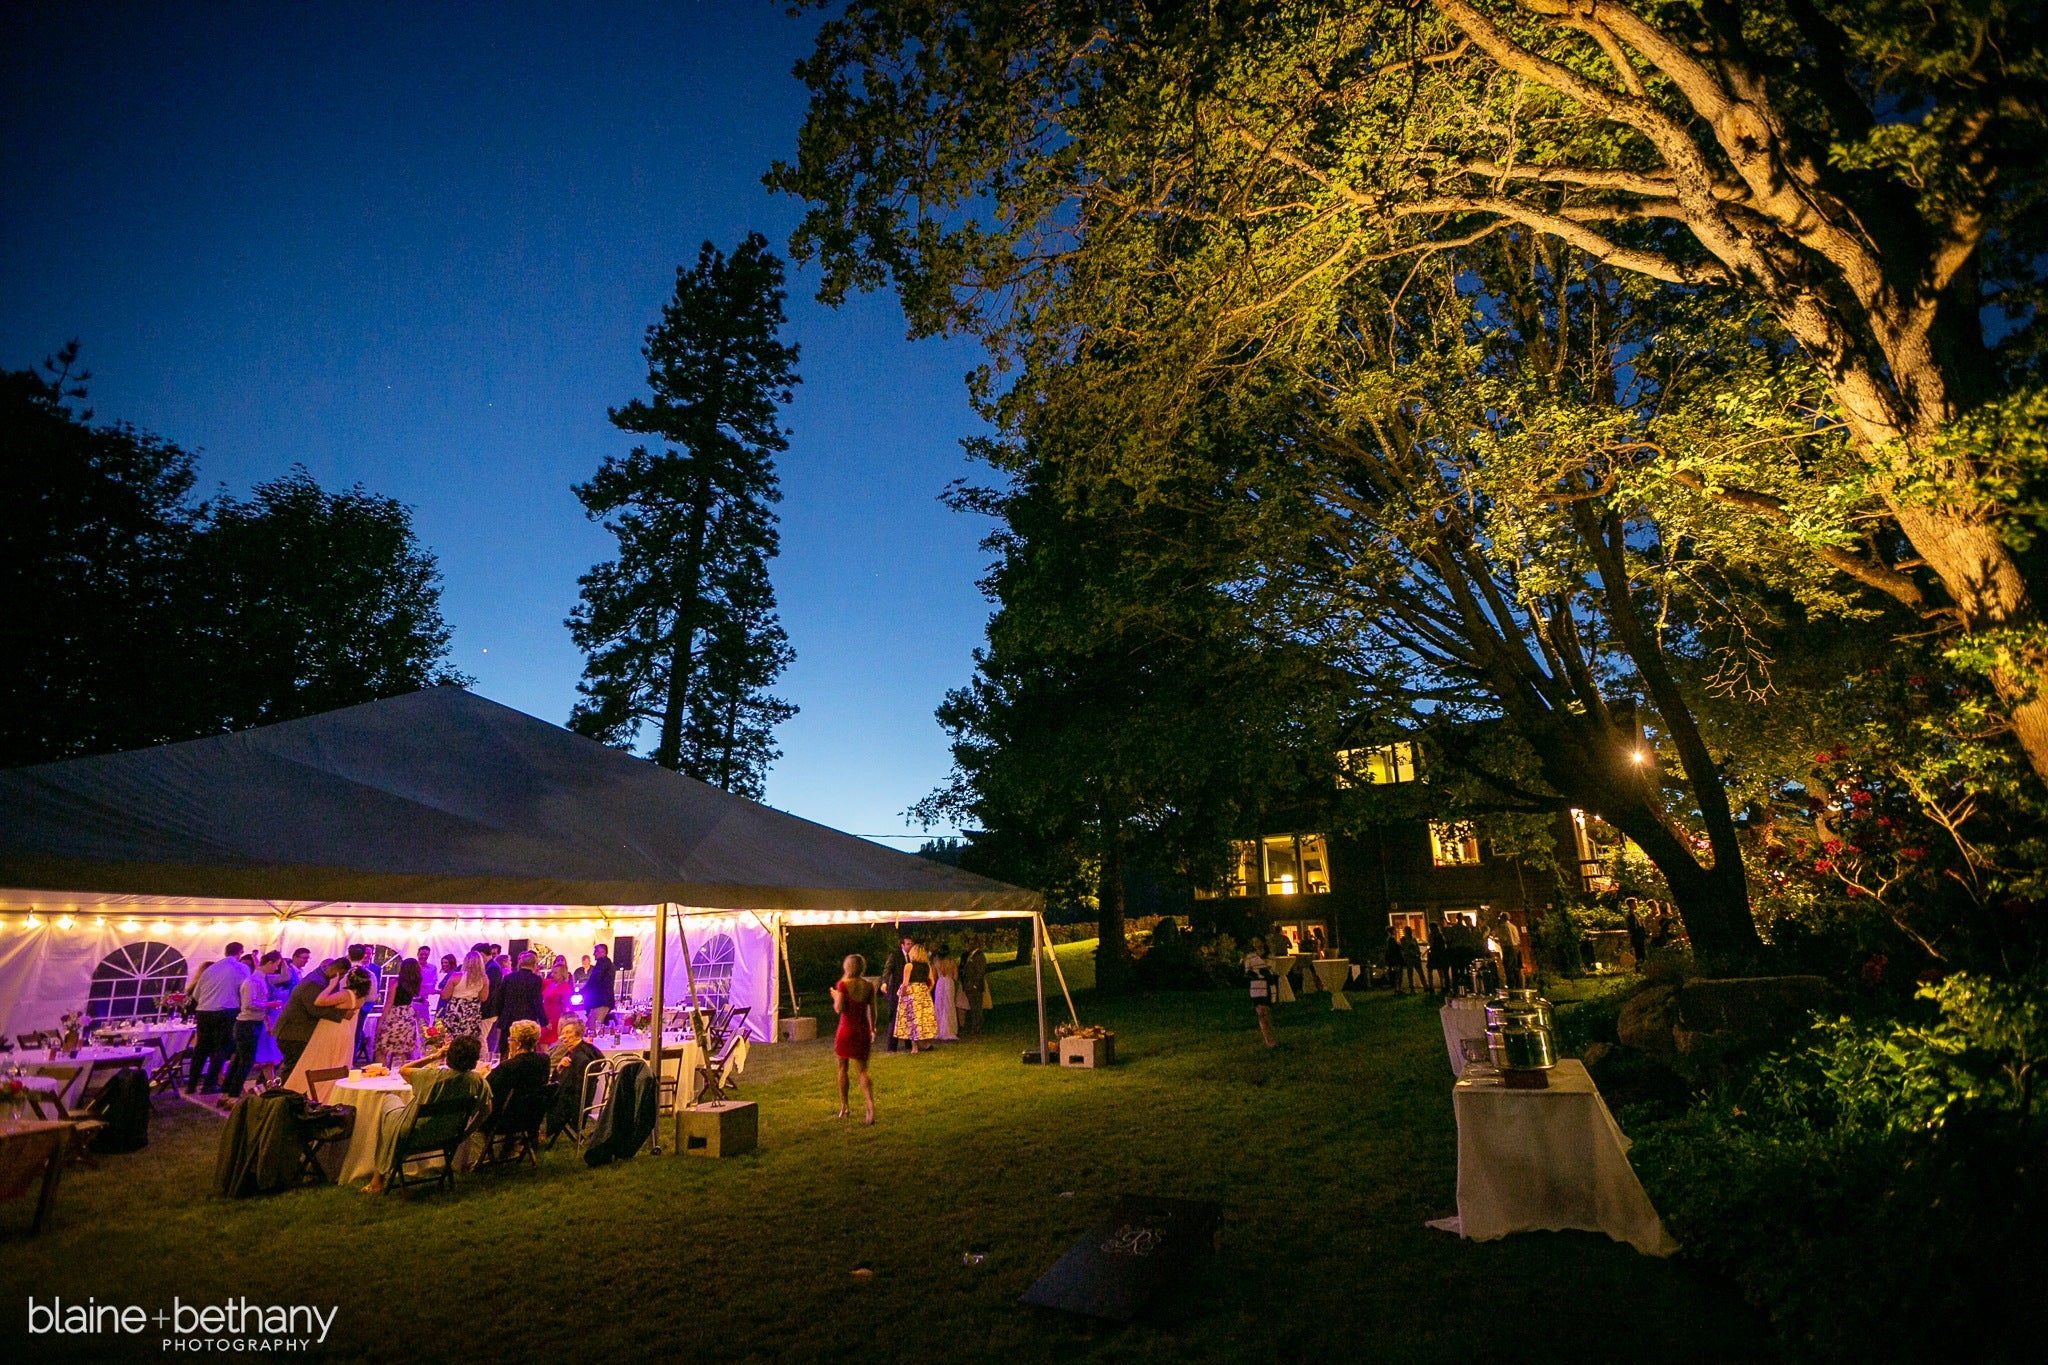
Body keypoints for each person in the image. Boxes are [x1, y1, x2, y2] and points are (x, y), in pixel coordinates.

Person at [365, 1034, 492, 1193]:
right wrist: (465, 1134)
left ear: (450, 1055)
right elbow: (486, 1110)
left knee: (389, 1100)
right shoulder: (477, 1081)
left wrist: (434, 1056)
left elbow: (403, 1070)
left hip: (414, 1133)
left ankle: (377, 1178)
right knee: (394, 1115)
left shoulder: (432, 1076)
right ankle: (381, 1171)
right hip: (448, 1134)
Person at [282, 967, 373, 1096]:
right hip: (344, 1030)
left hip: (331, 1029)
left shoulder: (345, 994)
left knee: (320, 1060)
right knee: (336, 1061)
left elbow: (320, 1001)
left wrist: (331, 985)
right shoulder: (361, 998)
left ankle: (315, 1092)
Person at [189, 943, 253, 1093]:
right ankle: (209, 1085)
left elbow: (196, 995)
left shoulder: (211, 969)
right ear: (240, 953)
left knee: (201, 1049)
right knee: (221, 1049)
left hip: (203, 1011)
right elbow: (246, 990)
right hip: (225, 1012)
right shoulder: (241, 968)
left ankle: (191, 1085)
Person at [221, 950, 283, 1104]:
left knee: (239, 1061)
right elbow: (248, 1004)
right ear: (269, 963)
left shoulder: (260, 979)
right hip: (247, 1024)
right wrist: (270, 1004)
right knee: (246, 1062)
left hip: (252, 1023)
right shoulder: (252, 981)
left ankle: (226, 1094)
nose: (276, 968)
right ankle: (233, 1096)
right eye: (276, 965)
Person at [273, 958, 350, 1082]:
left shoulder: (320, 978)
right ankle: (283, 1094)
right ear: (335, 970)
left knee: (293, 1065)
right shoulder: (314, 983)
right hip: (293, 1033)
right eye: (341, 974)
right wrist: (342, 1014)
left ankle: (275, 1089)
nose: (341, 978)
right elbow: (315, 1009)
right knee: (293, 1068)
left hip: (297, 1032)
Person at [484, 1020, 552, 1154]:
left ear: (518, 1043)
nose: (508, 1041)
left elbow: (489, 1088)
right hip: (531, 1117)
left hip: (503, 1120)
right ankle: (510, 1146)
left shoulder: (509, 1067)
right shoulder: (544, 1060)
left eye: (511, 1039)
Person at [831, 954, 876, 1124]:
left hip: (846, 1029)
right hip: (862, 1029)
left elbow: (839, 1009)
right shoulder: (869, 986)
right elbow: (873, 1011)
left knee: (843, 1068)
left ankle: (845, 1106)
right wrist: (873, 1028)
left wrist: (836, 996)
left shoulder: (843, 985)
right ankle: (870, 1103)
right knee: (862, 1070)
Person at [545, 1018, 604, 1141]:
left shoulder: (579, 1058)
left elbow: (567, 1086)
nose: (564, 1037)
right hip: (582, 1101)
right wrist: (559, 1067)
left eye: (568, 1033)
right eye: (563, 1033)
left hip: (570, 1105)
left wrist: (555, 1074)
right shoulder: (589, 1050)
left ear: (578, 1034)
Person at [493, 951, 548, 1056]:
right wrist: (543, 1021)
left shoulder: (509, 977)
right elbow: (537, 1002)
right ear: (534, 964)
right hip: (526, 1019)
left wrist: (501, 1015)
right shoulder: (536, 980)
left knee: (506, 1049)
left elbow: (500, 998)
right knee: (524, 1049)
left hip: (508, 1018)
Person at [373, 957, 424, 1067]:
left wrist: (381, 1020)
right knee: (400, 1051)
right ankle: (399, 1076)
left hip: (395, 1015)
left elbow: (389, 1002)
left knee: (381, 1049)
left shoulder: (395, 982)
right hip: (408, 1015)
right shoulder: (415, 984)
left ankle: (381, 1075)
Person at [892, 944, 939, 1053]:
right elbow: (932, 981)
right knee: (923, 1018)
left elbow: (905, 982)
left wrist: (902, 993)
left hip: (912, 992)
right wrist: (927, 991)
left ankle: (915, 1047)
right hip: (923, 991)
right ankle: (926, 1043)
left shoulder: (909, 966)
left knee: (912, 1019)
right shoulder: (927, 966)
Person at [437, 951, 489, 1043]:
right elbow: (483, 998)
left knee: (453, 1038)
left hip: (456, 1009)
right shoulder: (483, 979)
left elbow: (445, 995)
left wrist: (437, 991)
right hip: (472, 1010)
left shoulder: (456, 976)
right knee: (470, 1039)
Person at [1243, 939, 1279, 1048]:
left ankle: (1271, 1036)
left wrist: (1262, 973)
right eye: (1253, 942)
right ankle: (1267, 1039)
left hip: (1267, 987)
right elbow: (1247, 971)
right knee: (1260, 1013)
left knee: (1266, 1012)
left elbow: (1271, 971)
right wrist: (1257, 974)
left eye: (1257, 941)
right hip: (1255, 987)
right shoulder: (1250, 956)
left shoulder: (1269, 956)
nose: (1255, 944)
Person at [879, 936, 912, 1053]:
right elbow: (887, 969)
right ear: (902, 945)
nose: (910, 946)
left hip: (907, 991)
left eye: (910, 944)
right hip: (895, 991)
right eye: (908, 944)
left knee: (908, 1017)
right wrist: (884, 983)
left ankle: (909, 1043)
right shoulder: (895, 956)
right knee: (894, 1017)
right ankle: (892, 1046)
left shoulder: (911, 957)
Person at [582, 943, 617, 1031]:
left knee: (594, 1026)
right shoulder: (607, 964)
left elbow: (595, 979)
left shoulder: (602, 963)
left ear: (603, 952)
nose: (594, 954)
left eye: (596, 951)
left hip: (601, 1001)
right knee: (592, 1024)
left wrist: (583, 991)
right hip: (603, 1000)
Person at [958, 936, 988, 1035]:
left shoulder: (979, 956)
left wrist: (975, 984)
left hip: (975, 986)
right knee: (973, 1007)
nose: (968, 945)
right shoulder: (969, 955)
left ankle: (978, 1027)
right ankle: (975, 1026)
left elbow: (980, 971)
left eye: (971, 943)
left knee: (977, 1008)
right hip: (969, 985)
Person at [540, 959, 574, 1045]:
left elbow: (566, 1005)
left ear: (562, 974)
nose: (552, 975)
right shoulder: (550, 983)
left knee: (545, 1041)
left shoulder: (564, 987)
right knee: (541, 1042)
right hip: (546, 1015)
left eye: (555, 973)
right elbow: (539, 981)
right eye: (552, 972)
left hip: (555, 1018)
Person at [931, 941, 960, 1042]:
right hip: (949, 982)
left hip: (940, 983)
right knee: (949, 1005)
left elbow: (933, 977)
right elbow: (956, 977)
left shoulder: (936, 963)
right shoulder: (952, 963)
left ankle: (939, 1029)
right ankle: (949, 1029)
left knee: (939, 1005)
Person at [414, 946, 439, 1025]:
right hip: (410, 1001)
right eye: (422, 954)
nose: (424, 956)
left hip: (423, 1001)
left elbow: (433, 983)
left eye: (426, 955)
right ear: (418, 954)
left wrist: (422, 986)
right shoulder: (412, 967)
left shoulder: (432, 968)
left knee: (424, 1027)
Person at [1398, 929, 1423, 993]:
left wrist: (1418, 954)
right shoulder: (1403, 940)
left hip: (1415, 957)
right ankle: (1412, 988)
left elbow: (1417, 947)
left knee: (1420, 972)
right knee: (1410, 973)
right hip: (1409, 958)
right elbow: (1404, 948)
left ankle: (1425, 986)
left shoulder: (1413, 939)